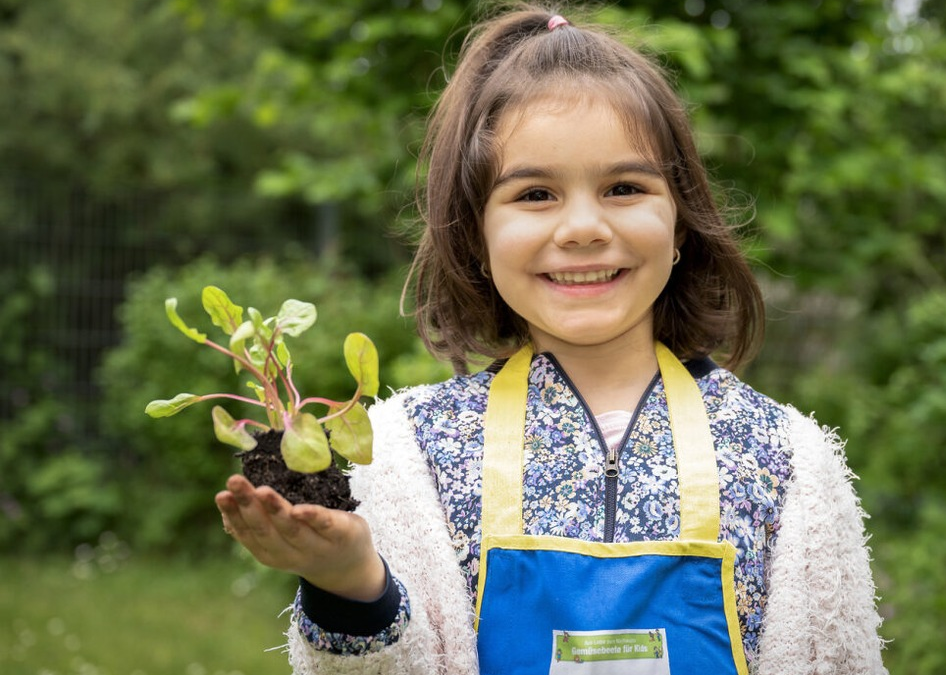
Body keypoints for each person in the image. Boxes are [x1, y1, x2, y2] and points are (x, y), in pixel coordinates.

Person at [215, 4, 887, 674]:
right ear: (476, 235)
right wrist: (348, 583)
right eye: (536, 194)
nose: (583, 228)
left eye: (624, 187)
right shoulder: (407, 454)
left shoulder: (787, 458)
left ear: (679, 222)